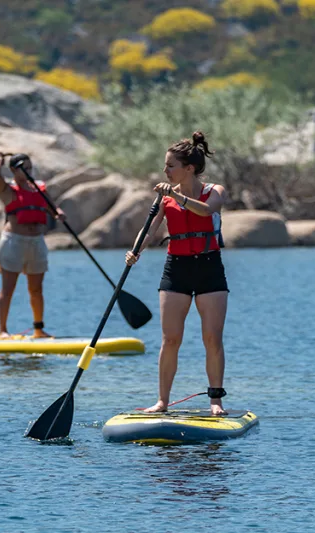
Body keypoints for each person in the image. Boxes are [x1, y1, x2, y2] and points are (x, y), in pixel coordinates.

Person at [125, 132, 230, 416]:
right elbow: (150, 229)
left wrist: (176, 195)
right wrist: (136, 250)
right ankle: (162, 402)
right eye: (165, 165)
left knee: (212, 337)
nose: (165, 171)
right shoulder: (165, 198)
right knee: (170, 339)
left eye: (170, 165)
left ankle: (216, 401)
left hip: (209, 267)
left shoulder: (214, 191)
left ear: (189, 168)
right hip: (177, 268)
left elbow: (206, 212)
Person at [0, 151, 66, 339]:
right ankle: (3, 330)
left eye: (30, 168)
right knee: (8, 289)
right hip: (14, 241)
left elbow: (52, 207)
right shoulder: (7, 190)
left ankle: (38, 329)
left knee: (36, 289)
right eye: (24, 168)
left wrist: (59, 212)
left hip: (36, 241)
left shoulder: (39, 188)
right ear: (14, 170)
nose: (29, 172)